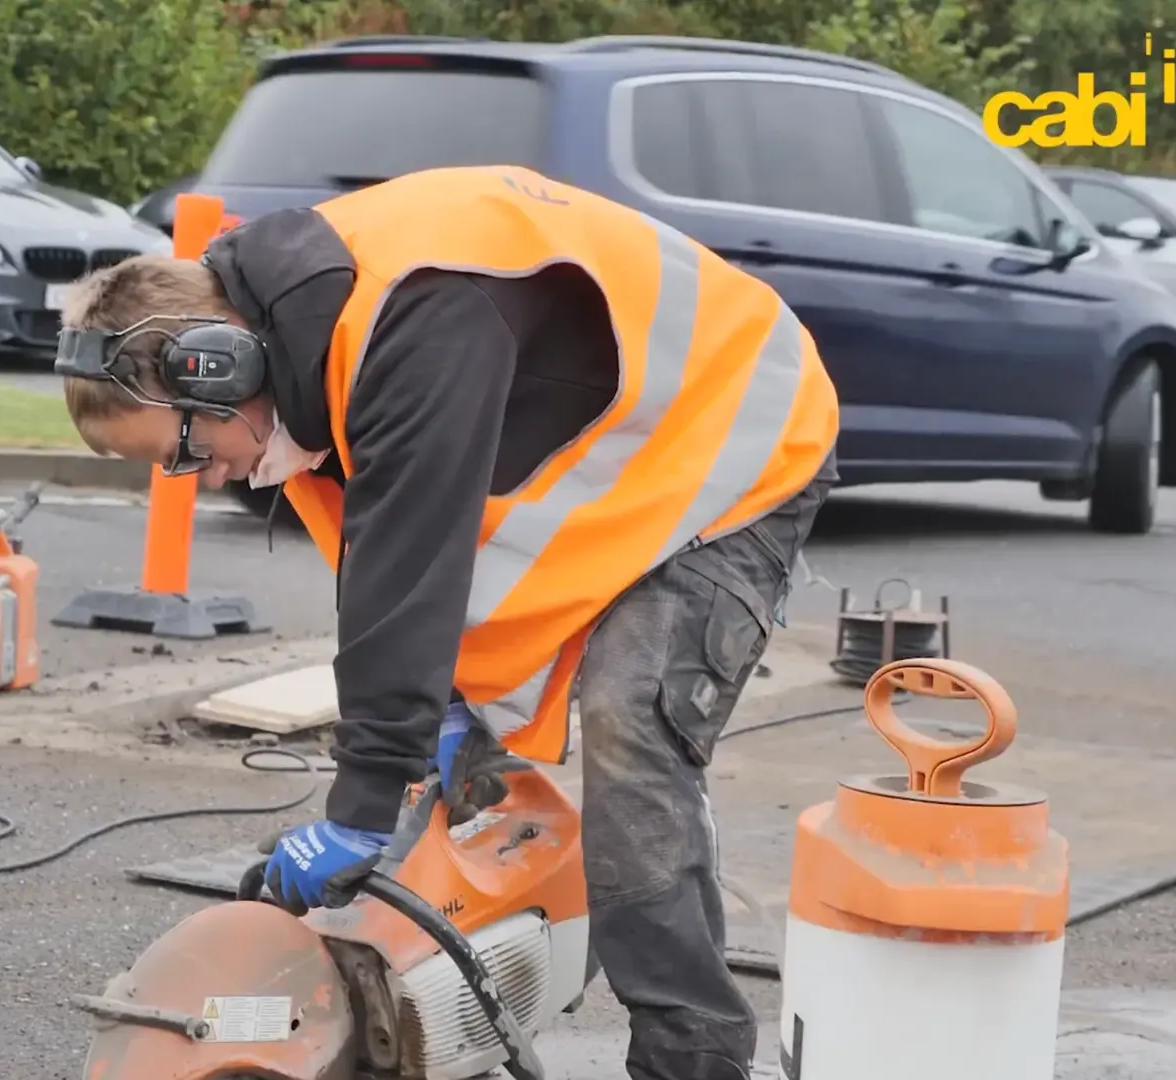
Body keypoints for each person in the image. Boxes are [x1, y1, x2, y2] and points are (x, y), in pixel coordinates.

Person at [51, 165, 838, 1080]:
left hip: (741, 436)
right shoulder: (307, 351)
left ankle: (691, 1057)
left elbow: (410, 556)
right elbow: (383, 573)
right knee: (463, 751)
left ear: (220, 363)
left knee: (633, 721)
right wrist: (433, 725)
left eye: (188, 449)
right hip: (622, 452)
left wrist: (362, 803)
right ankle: (473, 995)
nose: (207, 477)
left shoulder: (414, 317)